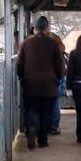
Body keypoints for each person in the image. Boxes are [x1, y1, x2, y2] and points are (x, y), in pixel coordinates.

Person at [17, 16, 65, 149]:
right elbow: (60, 66)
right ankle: (43, 140)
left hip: (30, 84)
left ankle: (32, 129)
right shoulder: (53, 44)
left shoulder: (25, 43)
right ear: (47, 28)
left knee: (31, 109)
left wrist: (22, 77)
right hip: (49, 85)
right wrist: (58, 78)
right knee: (47, 112)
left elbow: (19, 65)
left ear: (35, 29)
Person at [36, 16, 66, 135]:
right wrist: (59, 76)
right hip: (53, 77)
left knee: (38, 103)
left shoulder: (32, 41)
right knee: (54, 102)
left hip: (37, 78)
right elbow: (62, 52)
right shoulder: (54, 39)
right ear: (47, 27)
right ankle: (53, 127)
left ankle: (39, 127)